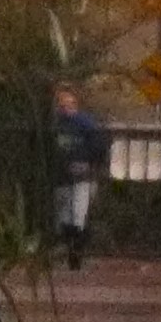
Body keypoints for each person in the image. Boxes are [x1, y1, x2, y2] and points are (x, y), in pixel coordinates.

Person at [49, 84, 108, 270]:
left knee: (78, 214)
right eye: (62, 104)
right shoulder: (56, 124)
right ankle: (70, 250)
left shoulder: (84, 122)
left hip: (82, 176)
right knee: (64, 217)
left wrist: (88, 163)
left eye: (69, 104)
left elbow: (99, 145)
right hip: (62, 176)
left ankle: (76, 255)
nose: (66, 108)